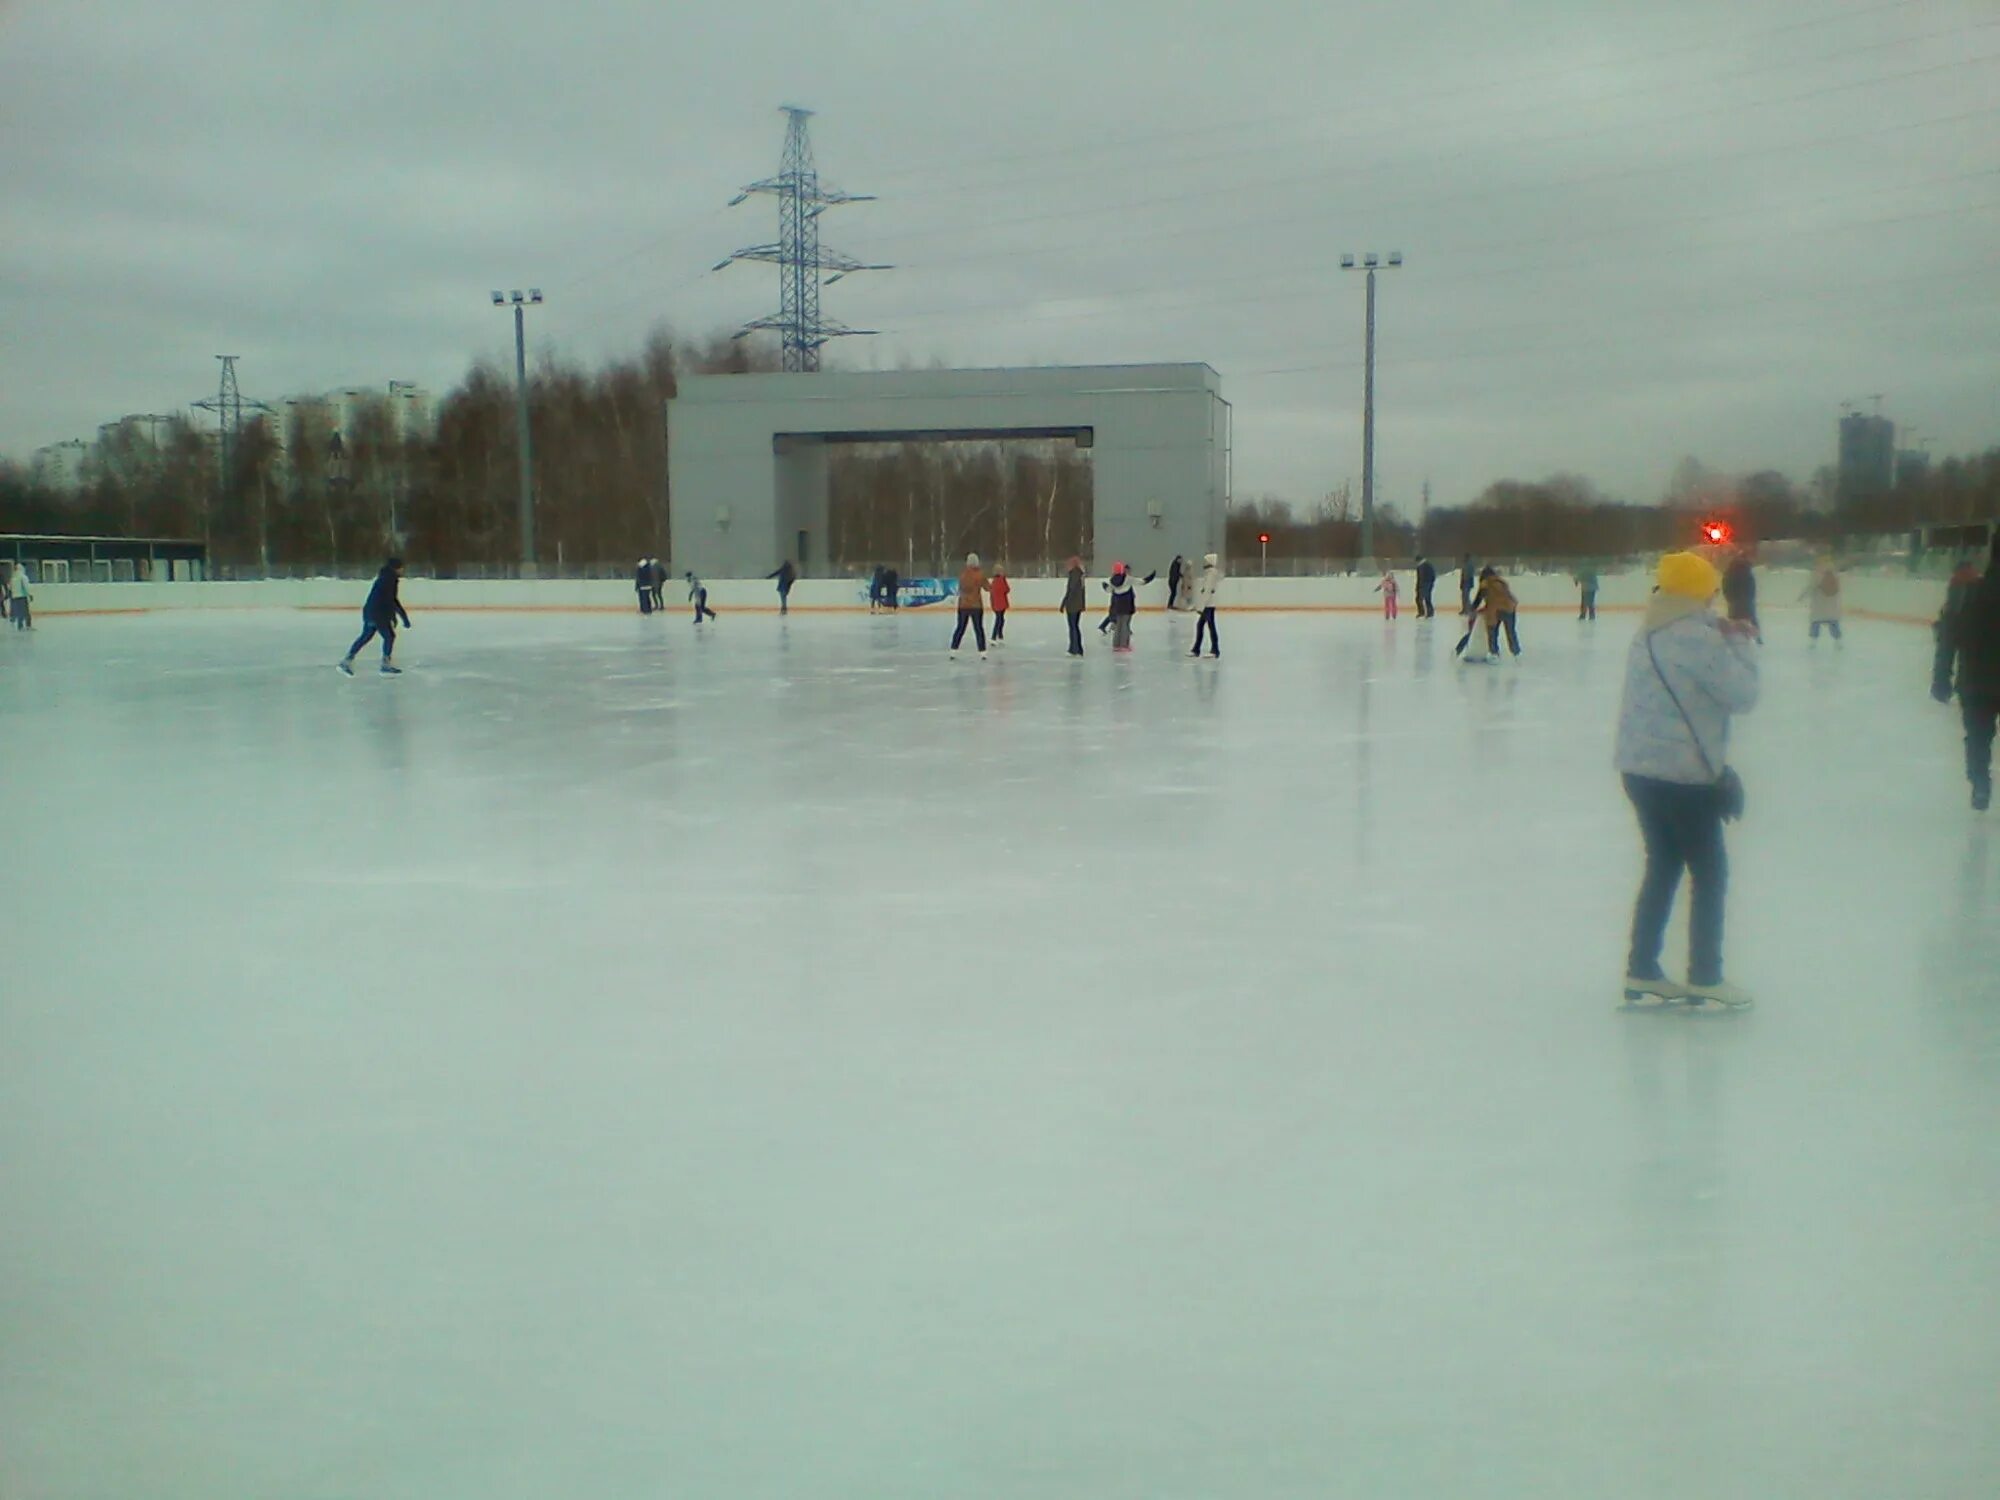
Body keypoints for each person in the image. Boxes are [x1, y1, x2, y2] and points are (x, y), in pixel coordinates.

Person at [1616, 551, 1760, 1007]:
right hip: (1683, 778)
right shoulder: (1699, 638)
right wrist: (1740, 642)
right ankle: (1705, 974)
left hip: (1639, 772)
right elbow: (1743, 695)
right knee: (1710, 873)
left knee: (1662, 866)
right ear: (1701, 592)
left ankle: (1643, 968)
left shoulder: (1648, 632)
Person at [1932, 535, 2000, 811]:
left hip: (1975, 682)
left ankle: (1980, 785)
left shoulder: (1966, 594)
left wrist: (1941, 677)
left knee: (1977, 736)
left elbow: (1948, 636)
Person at [339, 557, 411, 675]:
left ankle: (347, 660)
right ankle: (385, 664)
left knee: (366, 636)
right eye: (401, 568)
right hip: (379, 613)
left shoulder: (384, 577)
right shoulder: (390, 579)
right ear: (396, 568)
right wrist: (401, 617)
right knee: (389, 636)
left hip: (370, 611)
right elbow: (390, 600)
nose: (403, 570)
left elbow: (387, 599)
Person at [1470, 566, 1521, 657]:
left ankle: (1494, 653)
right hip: (1510, 608)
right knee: (1511, 632)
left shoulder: (1485, 583)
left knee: (1492, 631)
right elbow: (1504, 596)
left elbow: (1479, 598)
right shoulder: (1501, 581)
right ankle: (1516, 652)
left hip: (1496, 610)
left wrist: (1472, 609)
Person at [1105, 562, 1152, 652]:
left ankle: (1116, 645)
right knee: (1125, 624)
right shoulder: (1128, 579)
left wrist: (1104, 585)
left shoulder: (1112, 580)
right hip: (1126, 604)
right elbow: (1142, 582)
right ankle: (1124, 645)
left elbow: (1108, 590)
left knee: (1118, 624)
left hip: (1118, 605)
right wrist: (1150, 577)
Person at [951, 552, 988, 656]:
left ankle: (953, 649)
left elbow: (961, 588)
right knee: (978, 628)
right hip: (976, 606)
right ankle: (982, 651)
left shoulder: (963, 575)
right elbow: (987, 588)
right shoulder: (980, 574)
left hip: (963, 605)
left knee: (960, 628)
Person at [1802, 558, 1843, 644]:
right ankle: (1838, 641)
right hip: (1831, 607)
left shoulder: (1816, 575)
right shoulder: (1835, 576)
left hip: (1819, 606)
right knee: (1833, 622)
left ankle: (1813, 641)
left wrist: (1802, 596)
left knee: (1816, 622)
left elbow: (1810, 588)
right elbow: (1838, 591)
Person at [1722, 549, 1760, 642]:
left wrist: (1730, 599)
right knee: (1749, 621)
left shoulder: (1730, 570)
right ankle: (1755, 639)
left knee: (1735, 623)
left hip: (1734, 603)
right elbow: (1751, 586)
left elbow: (1726, 585)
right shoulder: (1746, 570)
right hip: (1745, 601)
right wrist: (1750, 598)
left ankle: (1735, 641)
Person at [1190, 552, 1221, 657]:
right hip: (1207, 605)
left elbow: (1207, 591)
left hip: (1208, 605)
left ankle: (1213, 650)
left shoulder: (1211, 574)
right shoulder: (1210, 573)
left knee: (1208, 626)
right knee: (1205, 626)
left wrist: (1201, 607)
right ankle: (1197, 649)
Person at [1061, 556, 1088, 655]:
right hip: (1078, 604)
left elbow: (1071, 590)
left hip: (1073, 605)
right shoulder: (1080, 574)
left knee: (1073, 627)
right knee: (1075, 626)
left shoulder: (1074, 574)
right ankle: (1078, 648)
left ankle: (1074, 649)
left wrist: (1064, 602)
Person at [989, 563, 1011, 642]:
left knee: (1000, 619)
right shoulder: (1001, 580)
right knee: (999, 620)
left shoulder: (994, 581)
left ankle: (999, 634)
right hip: (1001, 604)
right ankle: (994, 636)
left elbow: (992, 593)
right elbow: (1007, 589)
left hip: (996, 604)